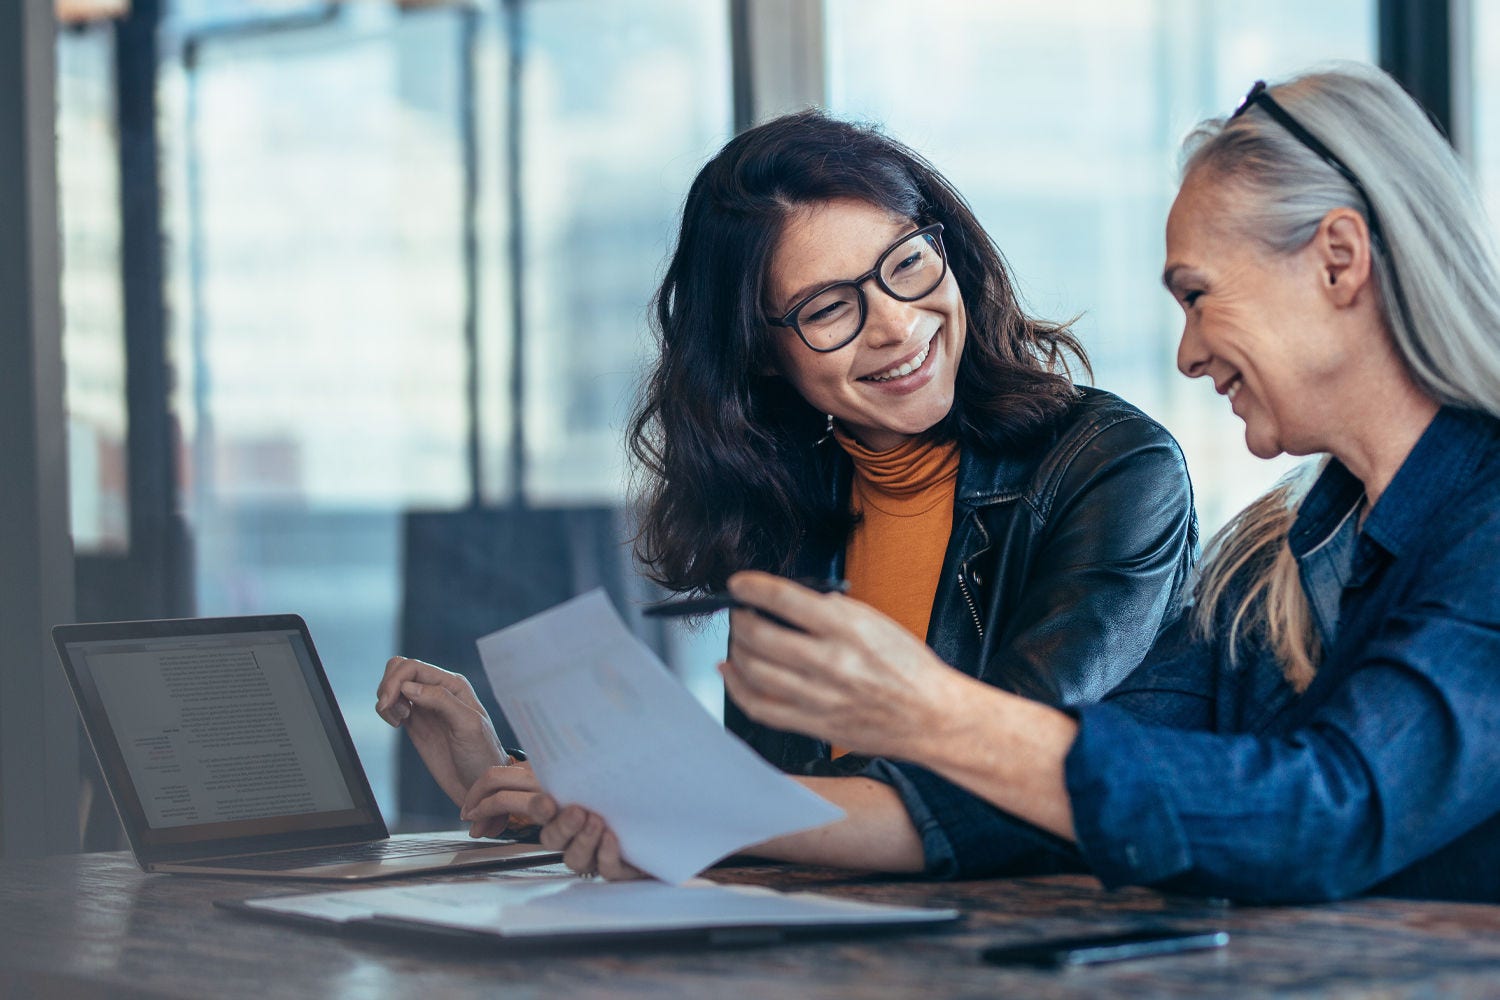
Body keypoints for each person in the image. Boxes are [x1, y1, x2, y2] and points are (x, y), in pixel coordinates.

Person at [520, 63, 1500, 903]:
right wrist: (652, 806)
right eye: (827, 307)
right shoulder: (1272, 564)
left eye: (1197, 297)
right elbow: (1054, 797)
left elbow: (1328, 810)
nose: (1189, 352)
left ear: (1338, 260)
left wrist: (933, 713)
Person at [376, 112, 1195, 851]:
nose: (898, 325)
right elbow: (771, 812)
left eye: (907, 262)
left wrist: (671, 806)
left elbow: (1013, 785)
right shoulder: (786, 506)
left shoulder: (1114, 467)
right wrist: (522, 786)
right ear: (763, 353)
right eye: (828, 309)